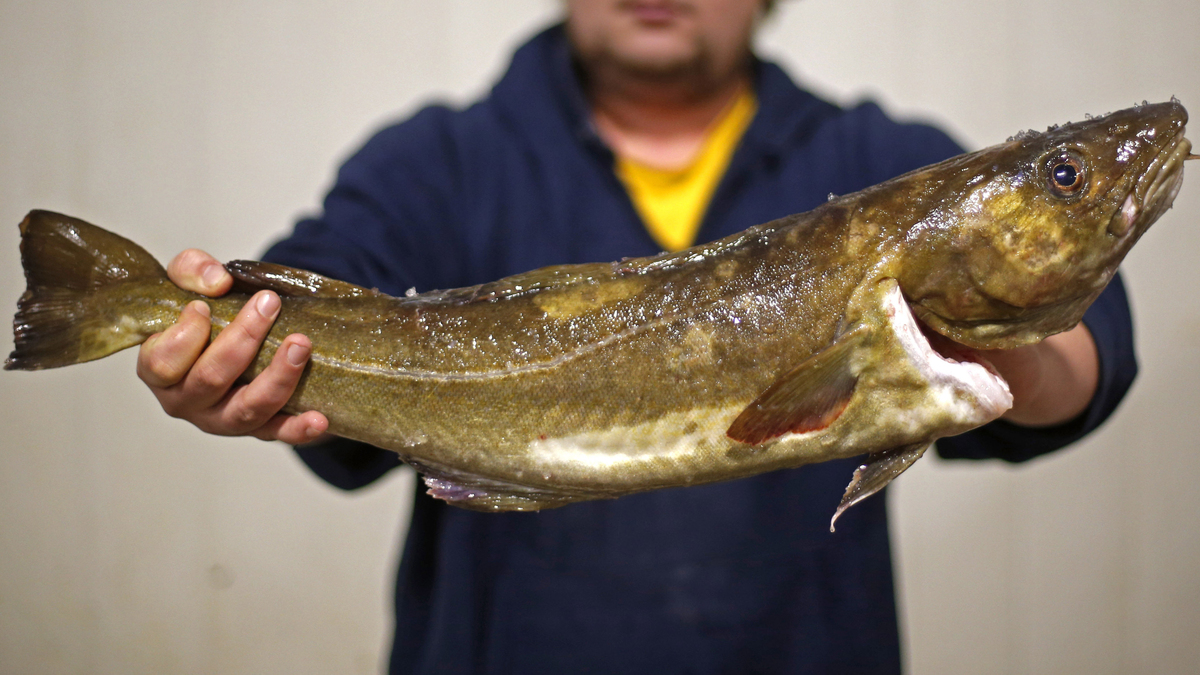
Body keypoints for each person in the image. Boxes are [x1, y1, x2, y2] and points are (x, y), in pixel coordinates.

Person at [135, 1, 1135, 672]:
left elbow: (1088, 363)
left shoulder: (882, 161)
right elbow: (318, 290)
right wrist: (225, 350)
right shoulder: (436, 163)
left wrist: (986, 339)